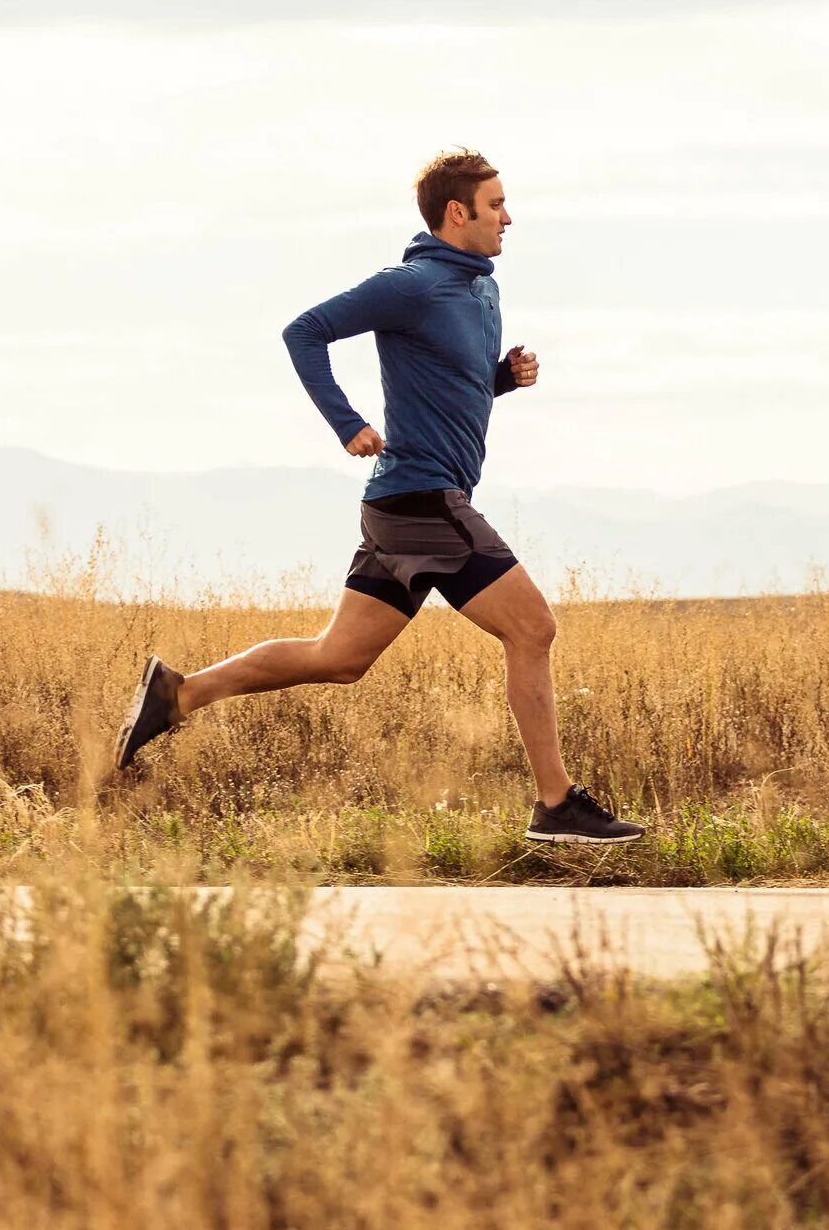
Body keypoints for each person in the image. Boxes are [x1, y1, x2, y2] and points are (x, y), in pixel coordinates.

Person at [113, 148, 644, 846]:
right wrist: (348, 422)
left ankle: (178, 694)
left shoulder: (479, 289)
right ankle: (555, 803)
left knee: (339, 657)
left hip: (404, 507)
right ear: (459, 213)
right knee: (533, 628)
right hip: (422, 500)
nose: (509, 217)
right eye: (496, 205)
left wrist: (501, 379)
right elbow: (303, 331)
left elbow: (450, 381)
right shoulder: (412, 284)